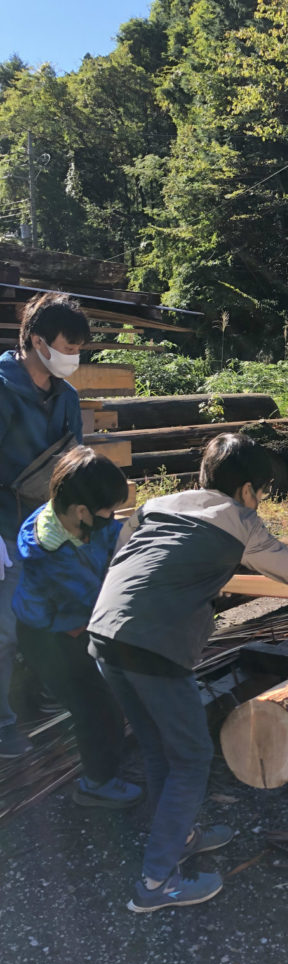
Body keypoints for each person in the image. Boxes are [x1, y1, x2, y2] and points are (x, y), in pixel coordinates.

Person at [87, 432, 288, 913]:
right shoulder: (240, 522)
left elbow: (127, 558)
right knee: (192, 757)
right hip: (154, 647)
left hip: (105, 633)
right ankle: (156, 884)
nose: (259, 501)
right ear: (246, 490)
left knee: (160, 747)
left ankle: (179, 837)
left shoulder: (159, 503)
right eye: (260, 491)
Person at [13, 447, 142, 808]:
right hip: (49, 638)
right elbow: (97, 600)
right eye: (107, 511)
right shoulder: (48, 551)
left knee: (105, 698)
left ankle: (106, 766)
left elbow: (116, 538)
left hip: (75, 625)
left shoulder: (81, 522)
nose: (112, 518)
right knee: (96, 708)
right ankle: (96, 785)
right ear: (81, 511)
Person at [0, 293, 89, 759]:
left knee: (61, 616)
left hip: (49, 529)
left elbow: (77, 465)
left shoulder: (66, 396)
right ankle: (3, 725)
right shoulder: (1, 390)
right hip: (5, 529)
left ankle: (44, 695)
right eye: (67, 347)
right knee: (3, 630)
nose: (73, 358)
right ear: (37, 340)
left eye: (78, 350)